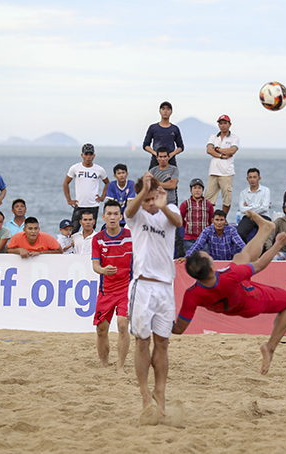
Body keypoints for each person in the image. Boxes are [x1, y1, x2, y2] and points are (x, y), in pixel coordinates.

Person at [173, 210, 286, 376]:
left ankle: (265, 229)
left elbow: (179, 329)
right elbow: (260, 265)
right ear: (211, 268)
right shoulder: (229, 277)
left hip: (230, 296)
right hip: (250, 300)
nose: (207, 254)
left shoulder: (191, 293)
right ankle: (270, 346)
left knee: (240, 257)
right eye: (207, 256)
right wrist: (278, 244)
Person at [125, 173, 182, 422]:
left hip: (165, 286)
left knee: (163, 343)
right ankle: (144, 393)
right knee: (142, 342)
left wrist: (161, 205)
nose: (150, 203)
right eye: (146, 199)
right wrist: (143, 192)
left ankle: (160, 390)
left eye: (152, 198)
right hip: (143, 285)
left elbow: (178, 222)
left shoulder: (168, 208)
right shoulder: (137, 213)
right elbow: (128, 212)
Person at [91, 200, 133, 373]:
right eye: (109, 214)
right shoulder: (97, 239)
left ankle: (120, 366)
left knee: (123, 325)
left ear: (121, 216)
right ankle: (104, 364)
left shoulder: (131, 236)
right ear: (103, 217)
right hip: (106, 291)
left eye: (116, 214)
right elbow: (95, 266)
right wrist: (103, 270)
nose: (113, 217)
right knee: (101, 330)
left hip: (126, 289)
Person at [63, 143, 109, 234]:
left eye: (90, 154)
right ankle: (73, 248)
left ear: (94, 156)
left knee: (90, 232)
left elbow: (107, 183)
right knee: (74, 231)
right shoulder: (75, 168)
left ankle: (90, 248)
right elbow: (66, 183)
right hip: (79, 205)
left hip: (93, 205)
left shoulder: (99, 169)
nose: (88, 157)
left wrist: (102, 197)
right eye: (86, 154)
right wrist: (69, 200)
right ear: (82, 155)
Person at [149, 147, 183, 257]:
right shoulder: (153, 171)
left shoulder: (174, 169)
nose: (163, 159)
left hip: (170, 204)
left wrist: (157, 183)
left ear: (169, 157)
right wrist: (164, 183)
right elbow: (150, 187)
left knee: (176, 232)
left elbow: (173, 185)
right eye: (160, 156)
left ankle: (181, 256)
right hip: (156, 205)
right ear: (157, 157)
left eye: (165, 156)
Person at [204, 114, 239, 214]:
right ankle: (210, 219)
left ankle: (224, 218)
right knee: (208, 198)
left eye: (225, 123)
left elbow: (232, 150)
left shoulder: (234, 138)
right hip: (214, 171)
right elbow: (209, 150)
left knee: (227, 198)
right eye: (221, 123)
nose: (223, 125)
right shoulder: (214, 137)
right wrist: (221, 156)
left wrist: (217, 149)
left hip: (227, 172)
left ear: (230, 124)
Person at [180, 210, 245, 261]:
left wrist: (247, 256)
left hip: (229, 262)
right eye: (217, 220)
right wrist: (187, 257)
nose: (219, 223)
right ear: (212, 221)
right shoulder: (207, 231)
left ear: (225, 221)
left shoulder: (231, 230)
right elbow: (198, 245)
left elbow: (241, 245)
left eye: (221, 220)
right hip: (214, 263)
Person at [142, 101, 184, 168]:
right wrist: (156, 154)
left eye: (168, 109)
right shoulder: (153, 128)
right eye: (163, 109)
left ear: (171, 112)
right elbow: (145, 145)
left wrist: (171, 154)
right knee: (152, 178)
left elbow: (181, 147)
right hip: (155, 161)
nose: (165, 111)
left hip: (171, 161)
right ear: (160, 111)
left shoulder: (174, 129)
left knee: (172, 178)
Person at [237, 168, 271, 243]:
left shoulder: (266, 190)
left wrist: (248, 208)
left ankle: (264, 253)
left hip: (263, 216)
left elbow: (265, 208)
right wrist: (259, 206)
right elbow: (242, 209)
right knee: (240, 232)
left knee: (267, 234)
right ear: (247, 179)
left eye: (255, 177)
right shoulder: (243, 193)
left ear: (259, 178)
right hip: (249, 217)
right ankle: (247, 250)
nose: (252, 179)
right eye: (250, 177)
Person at [180, 178, 214, 253]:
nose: (197, 190)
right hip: (189, 239)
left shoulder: (208, 204)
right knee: (189, 261)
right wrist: (187, 226)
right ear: (191, 190)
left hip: (204, 239)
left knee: (204, 261)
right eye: (194, 188)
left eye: (199, 188)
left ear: (202, 190)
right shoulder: (185, 204)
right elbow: (180, 219)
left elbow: (211, 220)